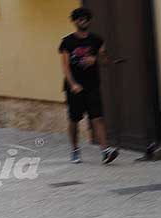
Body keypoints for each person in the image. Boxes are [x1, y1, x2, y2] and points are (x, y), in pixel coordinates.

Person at [59, 7, 119, 164]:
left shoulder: (96, 40)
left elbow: (106, 62)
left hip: (92, 85)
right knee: (74, 119)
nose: (83, 21)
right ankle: (74, 149)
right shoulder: (67, 42)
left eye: (85, 18)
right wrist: (73, 84)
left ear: (89, 20)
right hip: (74, 87)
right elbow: (65, 66)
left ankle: (105, 151)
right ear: (74, 21)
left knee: (97, 117)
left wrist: (97, 59)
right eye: (79, 18)